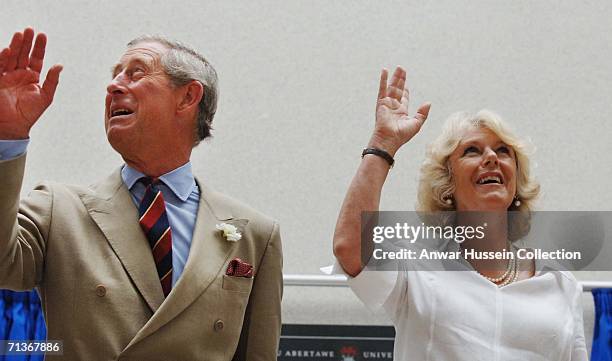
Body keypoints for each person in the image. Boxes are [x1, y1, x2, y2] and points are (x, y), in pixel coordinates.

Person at [0, 28, 282, 360]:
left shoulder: (254, 235)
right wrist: (8, 137)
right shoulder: (58, 209)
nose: (113, 85)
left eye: (136, 73)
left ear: (188, 97)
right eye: (115, 75)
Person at [332, 66, 588, 360]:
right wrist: (382, 144)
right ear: (447, 184)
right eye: (472, 151)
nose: (491, 158)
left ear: (516, 181)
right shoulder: (417, 268)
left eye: (503, 151)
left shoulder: (560, 284)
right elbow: (349, 247)